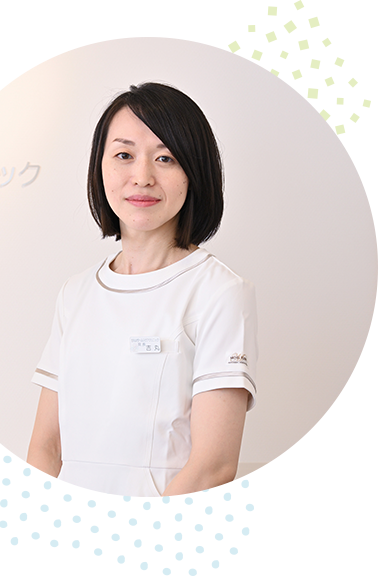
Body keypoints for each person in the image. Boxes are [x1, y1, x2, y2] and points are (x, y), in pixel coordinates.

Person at [25, 82, 258, 497]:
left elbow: (213, 468)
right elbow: (46, 447)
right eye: (124, 155)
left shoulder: (219, 292)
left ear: (194, 172)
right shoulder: (75, 294)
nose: (142, 177)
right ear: (100, 167)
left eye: (165, 158)